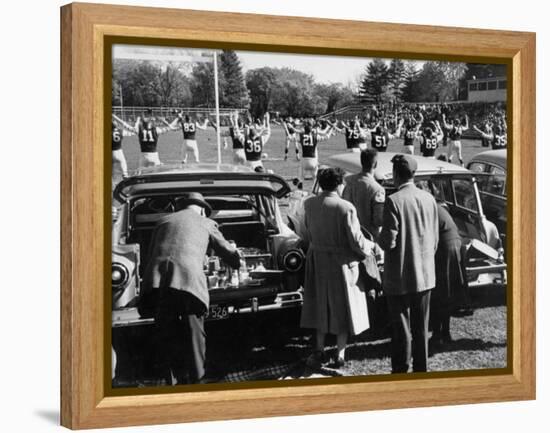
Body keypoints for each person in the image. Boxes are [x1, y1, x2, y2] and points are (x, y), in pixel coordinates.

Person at [139, 193, 241, 384]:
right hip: (188, 282)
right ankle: (197, 381)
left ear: (181, 207)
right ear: (202, 209)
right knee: (194, 334)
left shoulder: (163, 221)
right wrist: (237, 261)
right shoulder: (206, 222)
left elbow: (150, 253)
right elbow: (227, 252)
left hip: (157, 282)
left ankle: (171, 381)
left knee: (166, 333)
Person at [300, 168, 375, 368]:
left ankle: (319, 349)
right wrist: (370, 247)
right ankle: (340, 354)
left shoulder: (309, 203)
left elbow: (307, 229)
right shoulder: (346, 207)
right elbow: (356, 241)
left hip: (317, 260)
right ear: (339, 184)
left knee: (320, 306)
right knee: (342, 307)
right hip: (340, 263)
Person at [379, 154, 439, 373]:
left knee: (401, 328)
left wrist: (378, 235)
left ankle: (401, 369)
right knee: (421, 328)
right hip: (425, 274)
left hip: (401, 275)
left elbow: (388, 242)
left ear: (396, 174)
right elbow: (434, 238)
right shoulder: (429, 198)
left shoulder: (394, 200)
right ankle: (421, 368)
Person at [430, 201, 466, 347]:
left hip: (445, 247)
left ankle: (440, 334)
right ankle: (444, 332)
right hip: (453, 245)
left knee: (440, 292)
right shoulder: (436, 206)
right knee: (446, 292)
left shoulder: (429, 207)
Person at [342, 148, 385, 242]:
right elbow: (378, 220)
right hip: (369, 239)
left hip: (349, 236)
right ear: (375, 164)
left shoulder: (349, 182)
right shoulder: (377, 189)